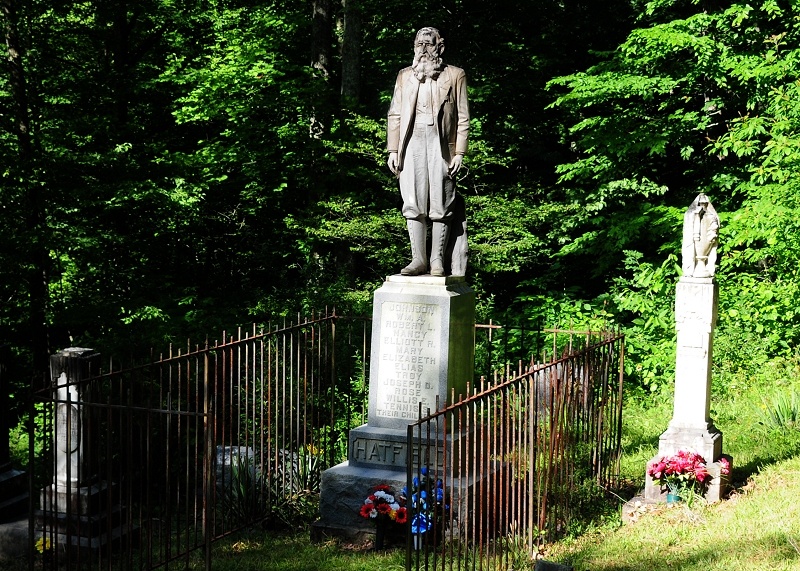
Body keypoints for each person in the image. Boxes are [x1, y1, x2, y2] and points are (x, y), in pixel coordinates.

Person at [386, 27, 470, 276]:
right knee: (412, 200)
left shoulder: (455, 75)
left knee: (441, 200)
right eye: (419, 44)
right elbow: (395, 114)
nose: (423, 49)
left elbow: (463, 118)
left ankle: (436, 261)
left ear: (439, 48)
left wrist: (460, 154)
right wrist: (392, 150)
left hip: (441, 143)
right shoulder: (404, 76)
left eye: (428, 44)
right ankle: (418, 259)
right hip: (410, 141)